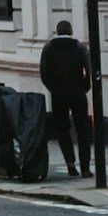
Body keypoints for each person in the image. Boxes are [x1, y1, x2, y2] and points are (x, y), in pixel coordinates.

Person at [39, 18, 96, 179]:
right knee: (83, 129)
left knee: (62, 129)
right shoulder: (79, 47)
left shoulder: (49, 48)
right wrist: (84, 87)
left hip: (58, 94)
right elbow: (88, 68)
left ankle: (70, 163)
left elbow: (44, 73)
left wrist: (53, 88)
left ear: (57, 32)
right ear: (71, 31)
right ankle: (85, 167)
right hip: (77, 93)